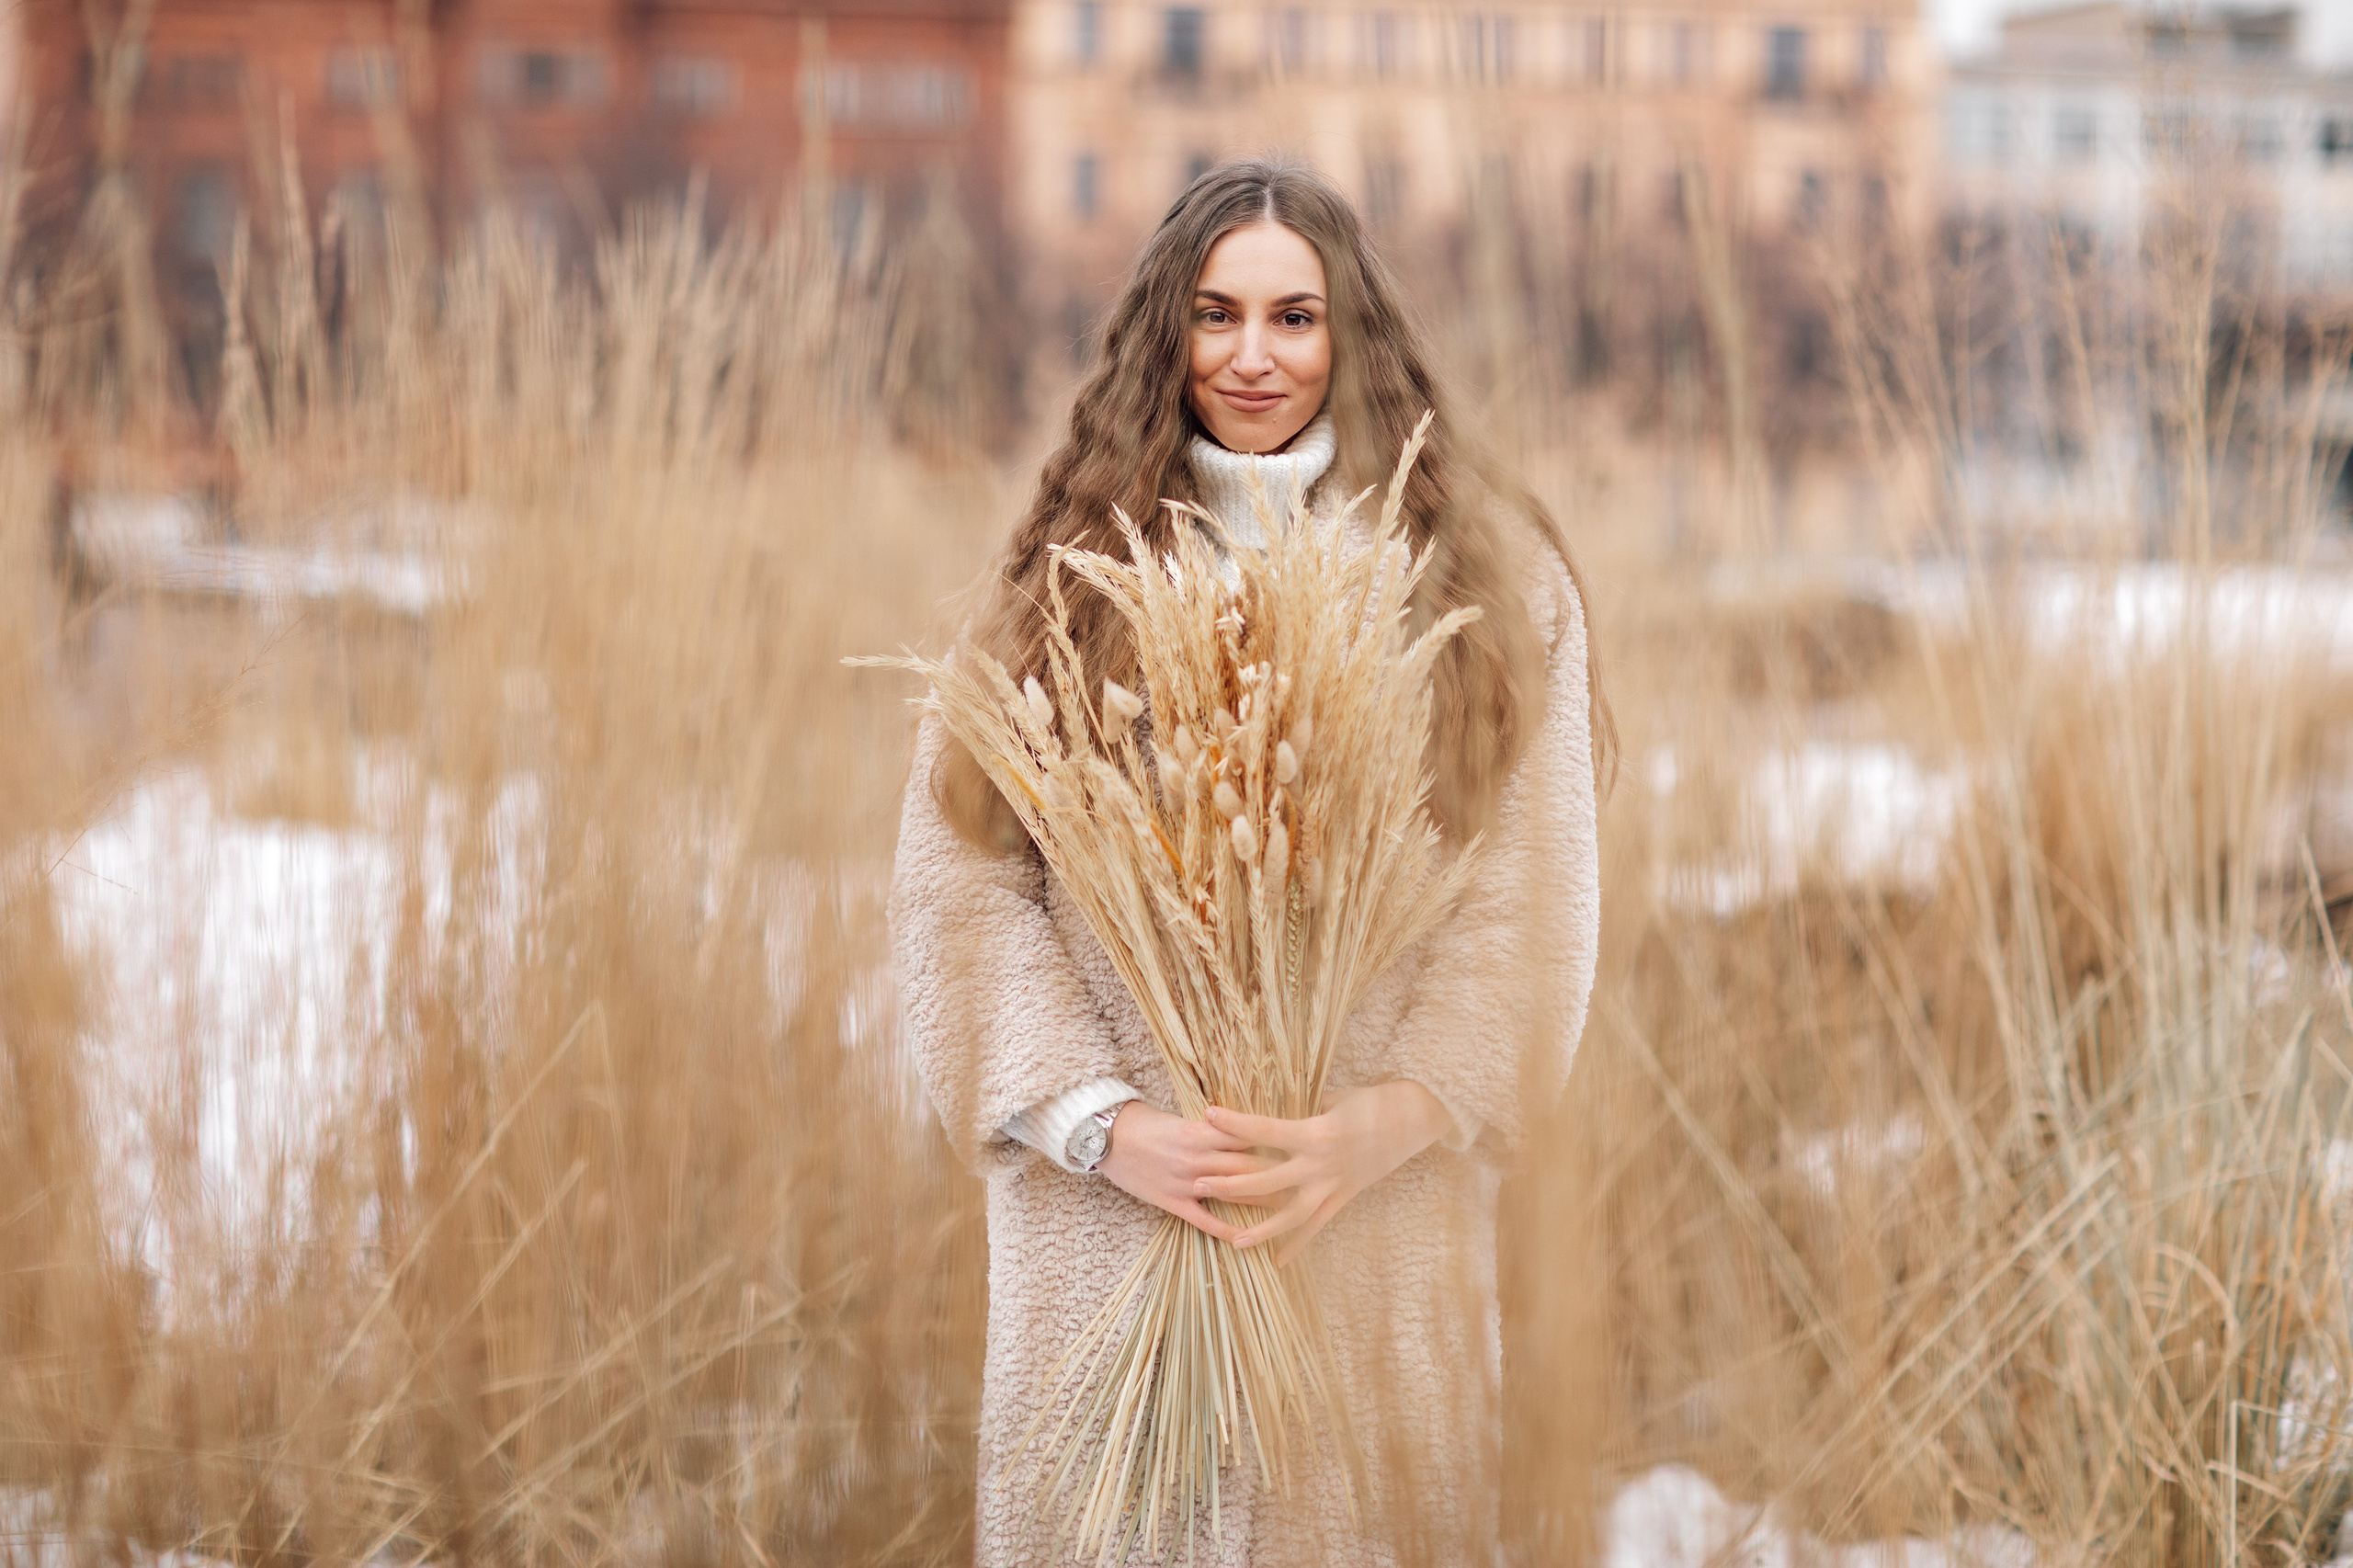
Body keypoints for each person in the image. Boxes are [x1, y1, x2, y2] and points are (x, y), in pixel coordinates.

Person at [889, 159, 1608, 1567]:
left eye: (1296, 316)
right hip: (1101, 1235)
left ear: (1354, 333)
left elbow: (1533, 897)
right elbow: (956, 885)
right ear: (1164, 334)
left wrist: (1381, 1124)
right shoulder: (1061, 574)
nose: (1253, 356)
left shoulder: (1492, 587)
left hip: (1376, 1229)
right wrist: (1105, 1124)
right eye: (1215, 316)